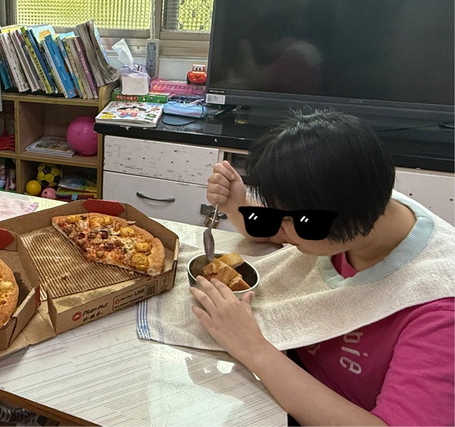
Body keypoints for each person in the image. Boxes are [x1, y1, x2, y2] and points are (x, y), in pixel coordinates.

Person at [191, 108, 454, 426]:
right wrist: (238, 204)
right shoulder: (362, 202)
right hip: (283, 371)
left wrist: (253, 348)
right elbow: (284, 230)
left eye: (288, 221)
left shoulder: (440, 308)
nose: (281, 232)